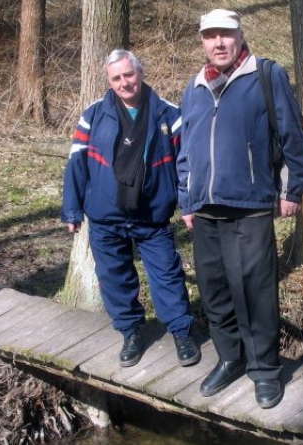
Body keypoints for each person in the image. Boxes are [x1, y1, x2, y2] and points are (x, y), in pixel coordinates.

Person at [177, 9, 303, 409]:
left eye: (225, 35)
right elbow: (186, 149)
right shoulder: (195, 87)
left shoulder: (265, 76)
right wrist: (187, 198)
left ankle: (265, 371)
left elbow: (292, 136)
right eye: (210, 36)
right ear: (202, 41)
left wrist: (293, 188)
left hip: (250, 205)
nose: (218, 43)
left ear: (239, 35)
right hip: (206, 211)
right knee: (215, 292)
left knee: (255, 292)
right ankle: (230, 358)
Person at [61, 49, 200, 369]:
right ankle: (131, 332)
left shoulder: (168, 114)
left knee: (167, 274)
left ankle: (180, 332)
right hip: (105, 214)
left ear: (140, 73)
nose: (125, 82)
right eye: (117, 78)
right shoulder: (94, 114)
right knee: (114, 277)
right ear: (109, 81)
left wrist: (188, 204)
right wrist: (72, 208)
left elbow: (185, 165)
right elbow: (77, 163)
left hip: (151, 214)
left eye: (129, 74)